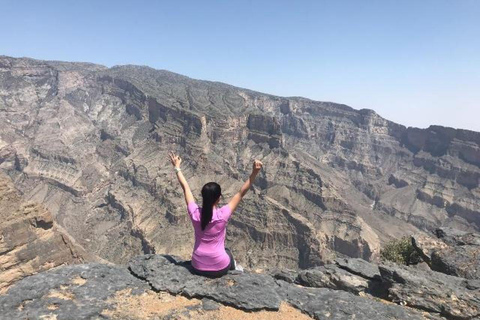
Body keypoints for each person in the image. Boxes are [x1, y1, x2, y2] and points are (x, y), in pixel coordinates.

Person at [168, 151, 263, 278]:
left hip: (197, 266)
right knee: (227, 252)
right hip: (220, 267)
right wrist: (254, 173)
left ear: (202, 196)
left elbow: (186, 188)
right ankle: (236, 269)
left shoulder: (195, 213)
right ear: (219, 198)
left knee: (224, 252)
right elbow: (241, 193)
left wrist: (177, 167)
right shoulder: (223, 214)